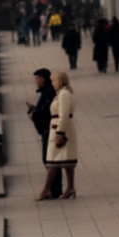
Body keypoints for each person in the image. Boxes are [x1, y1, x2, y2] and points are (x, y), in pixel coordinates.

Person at [46, 69, 80, 200]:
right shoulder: (61, 94)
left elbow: (64, 114)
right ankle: (70, 187)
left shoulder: (64, 94)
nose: (52, 83)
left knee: (53, 159)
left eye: (53, 80)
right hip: (60, 128)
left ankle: (46, 188)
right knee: (66, 159)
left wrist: (60, 132)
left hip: (61, 130)